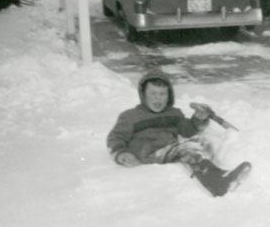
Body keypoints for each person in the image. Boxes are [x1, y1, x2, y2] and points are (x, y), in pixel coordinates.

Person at [107, 69, 251, 197]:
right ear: (143, 95)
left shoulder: (174, 113)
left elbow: (187, 131)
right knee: (187, 148)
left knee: (203, 142)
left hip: (170, 150)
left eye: (162, 94)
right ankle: (217, 184)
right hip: (148, 153)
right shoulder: (130, 116)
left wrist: (198, 120)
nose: (158, 98)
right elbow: (116, 137)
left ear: (169, 96)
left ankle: (213, 171)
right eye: (153, 94)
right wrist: (121, 153)